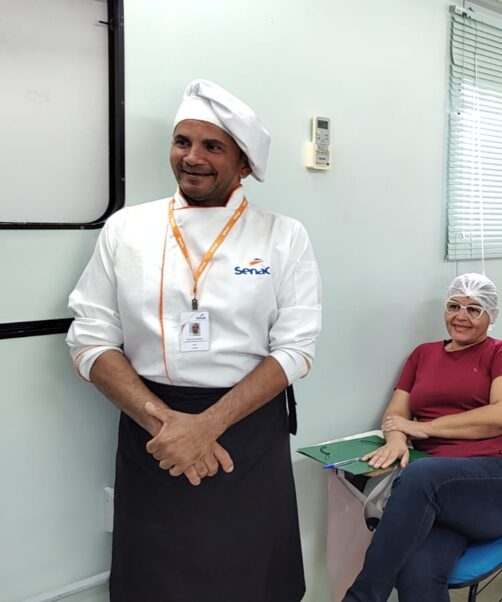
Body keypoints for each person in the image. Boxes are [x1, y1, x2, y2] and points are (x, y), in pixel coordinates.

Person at [66, 80, 321, 601]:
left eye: (212, 146)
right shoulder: (126, 228)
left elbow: (296, 349)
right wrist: (169, 426)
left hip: (247, 428)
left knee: (250, 578)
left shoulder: (283, 235)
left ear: (244, 164)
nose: (192, 157)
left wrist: (208, 427)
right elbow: (90, 339)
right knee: (154, 581)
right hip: (152, 428)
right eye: (183, 141)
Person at [343, 274, 502, 602]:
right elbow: (396, 416)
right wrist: (395, 439)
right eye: (453, 306)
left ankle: (362, 597)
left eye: (474, 309)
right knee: (417, 572)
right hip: (441, 493)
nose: (461, 316)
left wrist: (425, 428)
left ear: (492, 316)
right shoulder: (422, 355)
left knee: (420, 475)